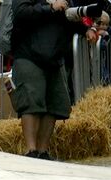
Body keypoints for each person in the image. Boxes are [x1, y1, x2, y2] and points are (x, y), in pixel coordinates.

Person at [10, 0, 98, 160]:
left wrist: (86, 29)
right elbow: (21, 13)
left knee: (55, 105)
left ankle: (43, 152)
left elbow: (67, 17)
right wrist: (50, 7)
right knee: (31, 102)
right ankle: (31, 151)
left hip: (55, 58)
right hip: (29, 53)